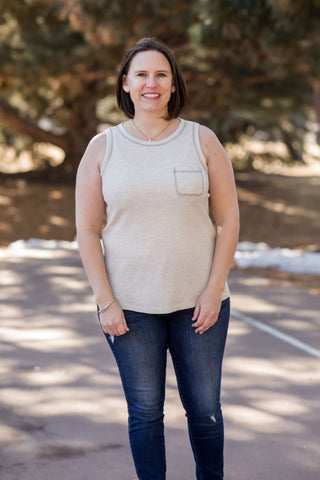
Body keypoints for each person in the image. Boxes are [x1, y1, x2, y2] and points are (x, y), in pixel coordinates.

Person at [75, 37, 239, 480]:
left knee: (204, 411)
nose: (152, 83)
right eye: (142, 74)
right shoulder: (102, 147)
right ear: (126, 83)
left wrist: (211, 291)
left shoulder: (201, 140)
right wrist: (106, 301)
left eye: (161, 74)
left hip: (199, 306)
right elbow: (88, 231)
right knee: (145, 414)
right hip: (130, 310)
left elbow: (228, 220)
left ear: (172, 84)